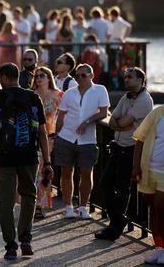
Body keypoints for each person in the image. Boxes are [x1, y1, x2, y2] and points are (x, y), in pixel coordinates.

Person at [0, 63, 53, 260]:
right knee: (29, 195)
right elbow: (42, 132)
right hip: (29, 156)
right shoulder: (33, 98)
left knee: (6, 203)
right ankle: (26, 239)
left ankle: (11, 246)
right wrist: (47, 162)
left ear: (4, 78)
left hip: (3, 157)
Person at [96, 67, 152, 241]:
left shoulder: (145, 100)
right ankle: (119, 219)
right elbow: (113, 119)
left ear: (141, 80)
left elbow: (124, 121)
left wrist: (121, 123)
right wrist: (121, 124)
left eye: (130, 77)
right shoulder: (125, 97)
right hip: (118, 146)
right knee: (104, 184)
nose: (126, 80)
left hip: (131, 149)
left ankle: (114, 228)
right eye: (125, 77)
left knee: (122, 189)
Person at [55, 64, 109, 219]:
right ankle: (68, 207)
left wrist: (87, 122)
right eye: (77, 76)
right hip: (66, 137)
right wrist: (57, 135)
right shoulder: (69, 93)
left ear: (91, 75)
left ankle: (83, 207)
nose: (79, 78)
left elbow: (104, 112)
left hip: (88, 139)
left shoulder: (100, 90)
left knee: (86, 173)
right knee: (66, 172)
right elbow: (61, 116)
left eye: (83, 75)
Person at [132, 99, 164, 264]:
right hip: (149, 169)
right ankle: (159, 247)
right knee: (154, 209)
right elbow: (140, 139)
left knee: (161, 207)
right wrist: (136, 166)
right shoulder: (157, 113)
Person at [31, 66, 63, 219]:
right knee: (33, 170)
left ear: (49, 77)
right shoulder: (31, 95)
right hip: (32, 137)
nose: (38, 78)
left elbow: (70, 111)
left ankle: (39, 206)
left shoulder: (58, 95)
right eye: (36, 76)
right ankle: (31, 202)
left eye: (42, 75)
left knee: (44, 171)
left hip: (49, 137)